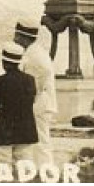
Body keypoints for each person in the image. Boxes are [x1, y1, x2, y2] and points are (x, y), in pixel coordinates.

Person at [0, 43, 38, 161]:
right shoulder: (30, 80)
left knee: (3, 163)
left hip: (4, 130)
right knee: (24, 164)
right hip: (25, 129)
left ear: (4, 62)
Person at [14, 19, 57, 160]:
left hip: (39, 104)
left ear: (24, 38)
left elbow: (35, 83)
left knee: (40, 142)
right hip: (39, 102)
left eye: (17, 36)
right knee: (37, 142)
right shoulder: (34, 52)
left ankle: (45, 169)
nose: (15, 39)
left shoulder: (34, 55)